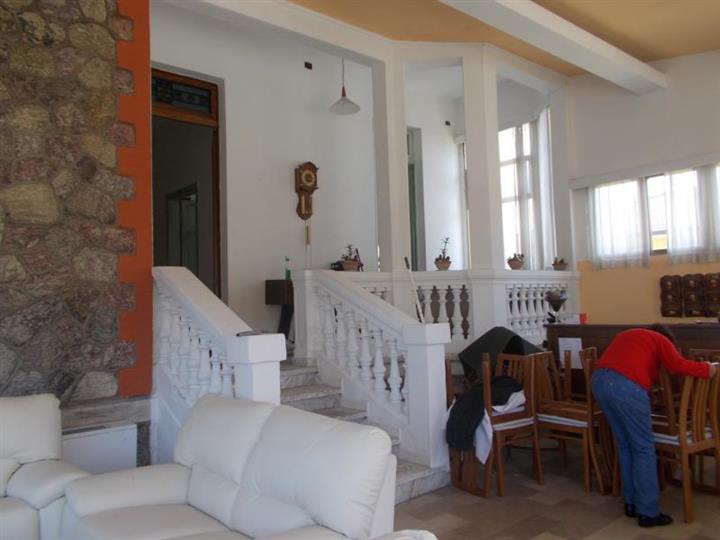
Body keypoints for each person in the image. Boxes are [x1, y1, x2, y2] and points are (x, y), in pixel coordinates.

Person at [591, 324, 718, 528]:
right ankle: (648, 512)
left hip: (599, 381)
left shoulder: (630, 334)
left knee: (625, 445)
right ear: (668, 338)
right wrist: (707, 369)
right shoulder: (661, 340)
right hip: (626, 386)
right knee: (643, 448)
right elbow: (677, 365)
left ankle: (631, 503)